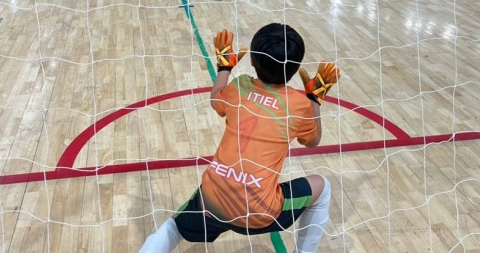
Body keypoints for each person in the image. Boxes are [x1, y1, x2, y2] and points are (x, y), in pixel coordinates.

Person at [140, 24, 339, 253]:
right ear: (295, 69)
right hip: (260, 212)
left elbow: (216, 100)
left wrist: (225, 65)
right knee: (322, 188)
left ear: (253, 61)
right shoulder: (298, 105)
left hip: (211, 202)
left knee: (173, 227)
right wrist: (315, 99)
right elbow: (313, 140)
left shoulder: (240, 85)